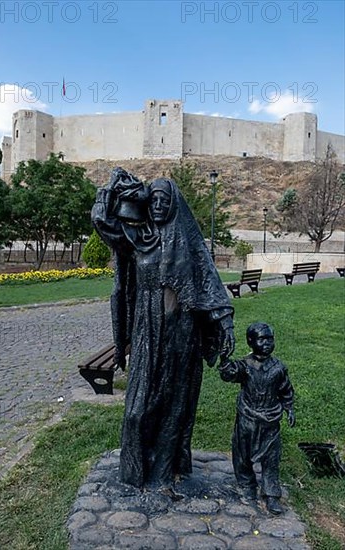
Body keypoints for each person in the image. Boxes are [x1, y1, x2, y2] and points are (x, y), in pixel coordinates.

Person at [92, 170, 235, 489]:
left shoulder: (189, 245)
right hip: (148, 331)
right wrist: (111, 187)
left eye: (164, 200)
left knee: (176, 402)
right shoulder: (137, 239)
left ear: (173, 205)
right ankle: (134, 471)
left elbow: (209, 284)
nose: (157, 205)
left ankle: (166, 469)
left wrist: (224, 323)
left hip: (183, 333)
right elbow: (102, 222)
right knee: (138, 406)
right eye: (152, 199)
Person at [219, 322, 295, 514]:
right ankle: (246, 484)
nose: (267, 343)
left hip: (270, 420)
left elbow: (286, 389)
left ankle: (271, 494)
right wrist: (225, 360)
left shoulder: (278, 368)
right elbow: (229, 374)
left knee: (271, 458)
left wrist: (289, 408)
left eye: (270, 339)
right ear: (251, 342)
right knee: (242, 454)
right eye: (262, 339)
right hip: (247, 418)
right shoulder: (245, 366)